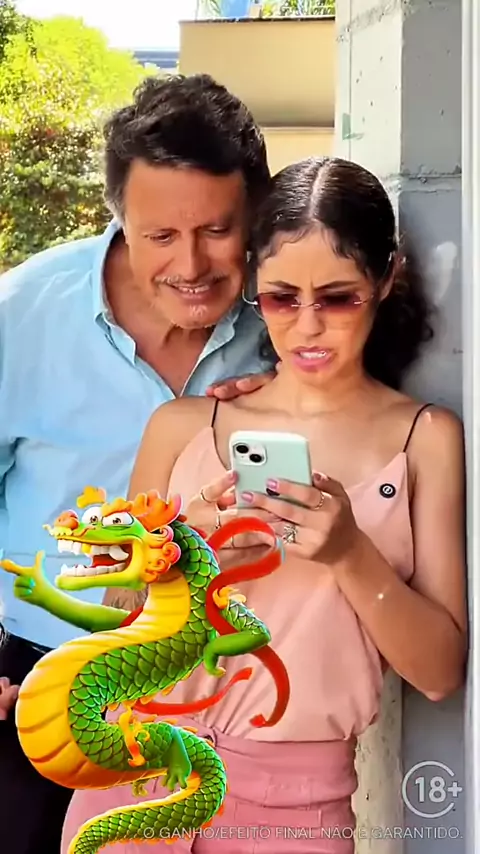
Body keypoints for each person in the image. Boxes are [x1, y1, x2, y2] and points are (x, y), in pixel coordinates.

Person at [61, 155, 468, 853]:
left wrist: (351, 554)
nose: (308, 327)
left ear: (386, 278)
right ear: (254, 283)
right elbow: (113, 625)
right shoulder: (184, 428)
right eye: (282, 298)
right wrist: (181, 561)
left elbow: (438, 674)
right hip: (135, 770)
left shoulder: (423, 440)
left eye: (338, 298)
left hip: (295, 809)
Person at [0, 73, 276, 853]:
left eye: (217, 231)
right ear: (119, 217)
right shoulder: (22, 314)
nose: (191, 265)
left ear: (254, 215)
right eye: (160, 236)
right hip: (42, 689)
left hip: (226, 699)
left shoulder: (287, 315)